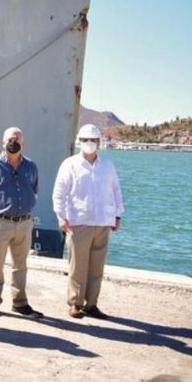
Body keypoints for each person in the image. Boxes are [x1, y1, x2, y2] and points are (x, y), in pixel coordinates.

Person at [53, 124, 125, 319]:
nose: (89, 143)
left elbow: (116, 190)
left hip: (103, 222)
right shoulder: (70, 164)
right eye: (85, 140)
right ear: (79, 141)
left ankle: (91, 304)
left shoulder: (107, 165)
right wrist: (61, 216)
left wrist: (117, 215)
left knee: (96, 267)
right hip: (79, 222)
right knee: (77, 265)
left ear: (99, 143)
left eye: (93, 140)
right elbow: (59, 193)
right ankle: (75, 303)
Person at [0, 127, 44, 319]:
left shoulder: (31, 166)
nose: (14, 142)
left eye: (18, 139)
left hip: (24, 223)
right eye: (10, 140)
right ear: (3, 143)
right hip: (1, 223)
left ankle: (19, 303)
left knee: (20, 265)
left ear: (23, 143)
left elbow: (35, 191)